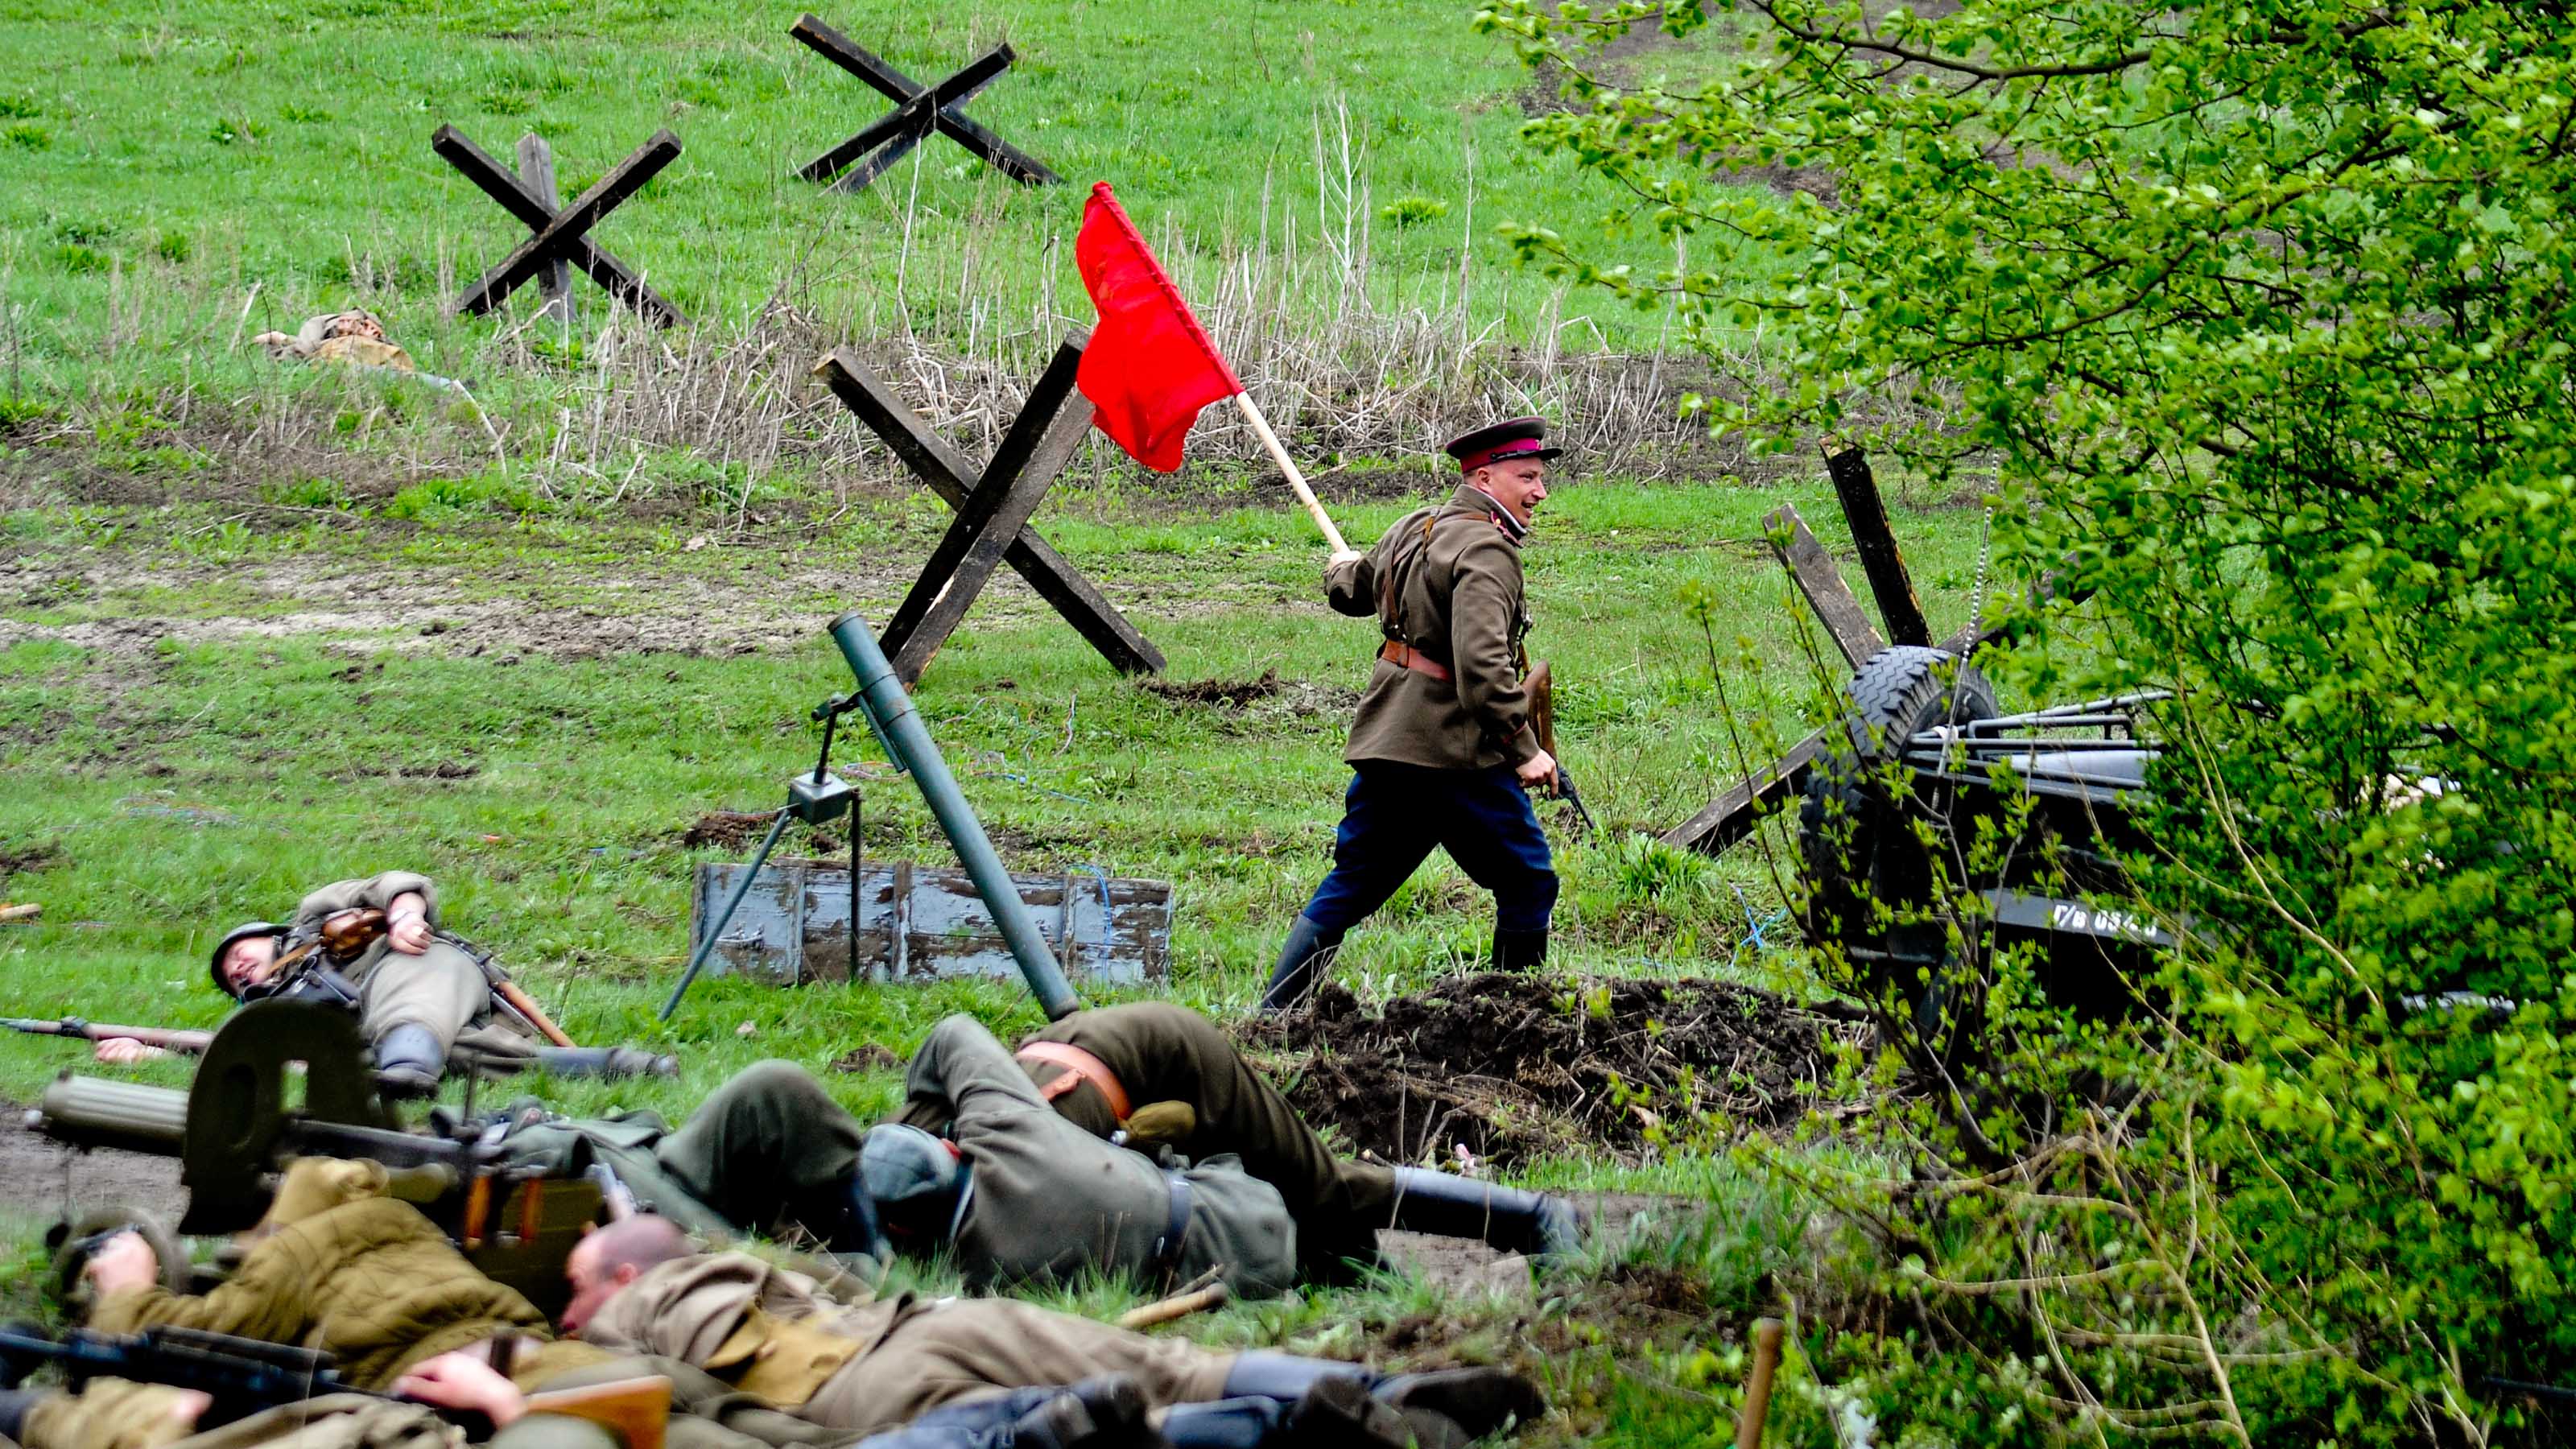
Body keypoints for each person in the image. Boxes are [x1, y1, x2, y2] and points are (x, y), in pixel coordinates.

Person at [29, 1158, 1151, 1449]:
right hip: (570, 1367)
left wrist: (123, 1288)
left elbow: (145, 1360)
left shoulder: (289, 1263)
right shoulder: (406, 1229)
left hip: (500, 1388)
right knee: (763, 1425)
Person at [569, 1216, 1546, 1449]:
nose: (566, 1307)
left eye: (574, 1286)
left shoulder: (615, 1322)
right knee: (1178, 1363)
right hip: (943, 1323)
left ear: (620, 1278)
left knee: (1078, 1433)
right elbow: (854, 1276)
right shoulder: (753, 1265)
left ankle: (1283, 1432)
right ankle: (1377, 1398)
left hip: (857, 1394)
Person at [895, 1002, 1580, 1274]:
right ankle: (1368, 1283)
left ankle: (1529, 1216)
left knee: (1323, 1189)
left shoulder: (1012, 1185)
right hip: (1096, 1080)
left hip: (1168, 1053)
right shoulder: (917, 1152)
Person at [1263, 418, 1566, 1011]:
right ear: (1485, 476)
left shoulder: (1414, 528)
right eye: (1527, 477)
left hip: (1389, 743)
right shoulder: (1487, 549)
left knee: (1351, 884)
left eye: (1541, 478)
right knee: (1529, 880)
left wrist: (1340, 567)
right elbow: (1482, 671)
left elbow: (1351, 591)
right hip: (1454, 753)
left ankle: (1274, 1012)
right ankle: (1514, 1020)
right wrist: (1526, 751)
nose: (1539, 492)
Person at [865, 1015, 1296, 1299]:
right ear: (952, 1148)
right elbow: (953, 1032)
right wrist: (936, 1108)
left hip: (1233, 1279)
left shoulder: (971, 1280)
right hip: (1246, 1209)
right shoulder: (1001, 1133)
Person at [96, 869, 540, 1093]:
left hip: (420, 969)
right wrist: (153, 1055)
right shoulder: (272, 1015)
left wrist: (405, 917)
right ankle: (599, 1065)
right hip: (376, 1043)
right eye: (230, 980)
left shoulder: (315, 918)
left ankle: (408, 1069)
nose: (235, 970)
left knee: (410, 990)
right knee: (436, 1055)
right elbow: (262, 1065)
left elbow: (394, 884)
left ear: (267, 935)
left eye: (236, 955)